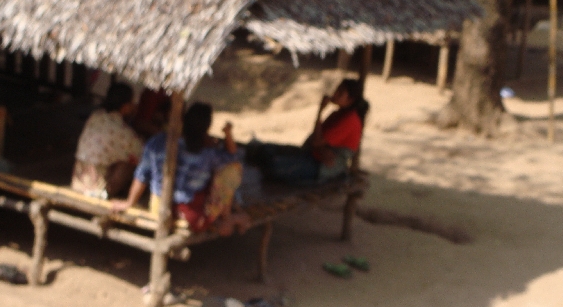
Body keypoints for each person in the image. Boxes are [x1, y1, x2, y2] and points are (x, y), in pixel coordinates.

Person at [112, 102, 247, 233]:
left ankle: (229, 217)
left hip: (158, 208)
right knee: (233, 169)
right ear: (207, 128)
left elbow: (141, 174)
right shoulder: (208, 154)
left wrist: (129, 202)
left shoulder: (157, 141)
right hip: (191, 215)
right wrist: (228, 133)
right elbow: (232, 156)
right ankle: (226, 216)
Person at [248, 78, 369, 184]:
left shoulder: (350, 120)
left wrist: (320, 111)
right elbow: (315, 139)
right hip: (313, 155)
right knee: (266, 149)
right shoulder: (337, 114)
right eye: (337, 89)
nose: (335, 94)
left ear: (350, 100)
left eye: (340, 92)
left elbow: (316, 141)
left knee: (273, 165)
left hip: (322, 167)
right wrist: (321, 149)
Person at [71, 83, 143, 199]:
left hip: (77, 183)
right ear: (125, 107)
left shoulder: (95, 117)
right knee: (130, 163)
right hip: (96, 190)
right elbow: (141, 153)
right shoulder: (122, 131)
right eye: (132, 103)